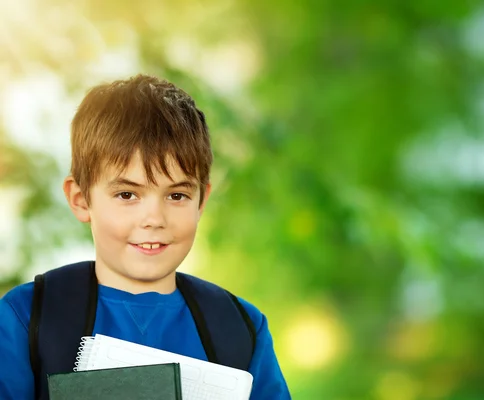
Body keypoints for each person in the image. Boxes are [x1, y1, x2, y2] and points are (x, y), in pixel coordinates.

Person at [0, 74, 291, 399]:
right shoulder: (27, 318)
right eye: (127, 195)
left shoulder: (239, 328)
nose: (154, 219)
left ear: (201, 201)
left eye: (177, 196)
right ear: (81, 199)